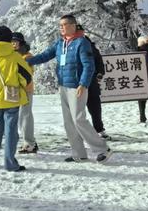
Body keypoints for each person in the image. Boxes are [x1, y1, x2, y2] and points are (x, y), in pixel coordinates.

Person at [29, 14, 112, 163]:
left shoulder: (82, 43)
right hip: (63, 86)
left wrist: (83, 84)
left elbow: (89, 65)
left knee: (79, 119)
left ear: (73, 26)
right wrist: (28, 61)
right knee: (69, 122)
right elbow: (45, 56)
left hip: (77, 87)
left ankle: (102, 149)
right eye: (60, 25)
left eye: (64, 24)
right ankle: (78, 153)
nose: (61, 27)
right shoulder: (60, 43)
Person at [0, 26, 32, 172]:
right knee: (11, 130)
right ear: (10, 39)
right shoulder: (15, 56)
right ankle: (10, 163)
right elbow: (26, 76)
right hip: (11, 97)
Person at [79, 26, 109, 140]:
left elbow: (99, 60)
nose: (80, 34)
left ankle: (99, 129)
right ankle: (80, 132)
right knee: (78, 109)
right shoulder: (70, 45)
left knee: (95, 107)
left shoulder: (90, 44)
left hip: (92, 81)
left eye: (81, 32)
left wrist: (100, 72)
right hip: (77, 82)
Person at [13, 32, 38, 155]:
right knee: (23, 116)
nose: (13, 44)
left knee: (25, 116)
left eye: (15, 42)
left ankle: (29, 143)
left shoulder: (27, 57)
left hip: (26, 90)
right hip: (17, 90)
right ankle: (29, 141)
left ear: (21, 43)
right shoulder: (16, 55)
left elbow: (28, 73)